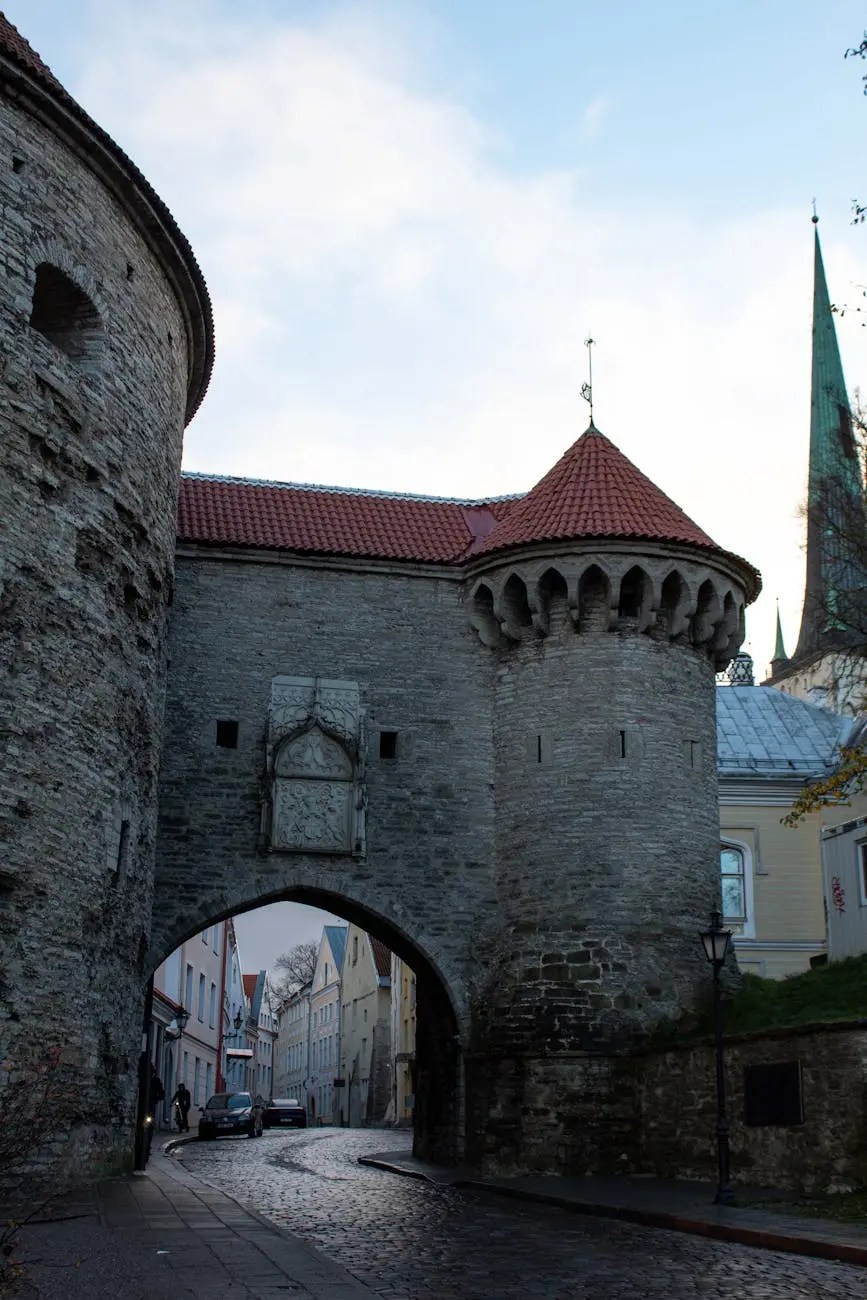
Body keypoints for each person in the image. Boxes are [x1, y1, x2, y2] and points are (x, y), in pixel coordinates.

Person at [145, 1063, 165, 1159]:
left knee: (150, 1126)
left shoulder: (156, 1081)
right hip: (143, 1106)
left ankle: (147, 1147)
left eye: (152, 1072)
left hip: (150, 1106)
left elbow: (161, 1093)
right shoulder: (144, 1079)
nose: (151, 1074)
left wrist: (158, 1097)